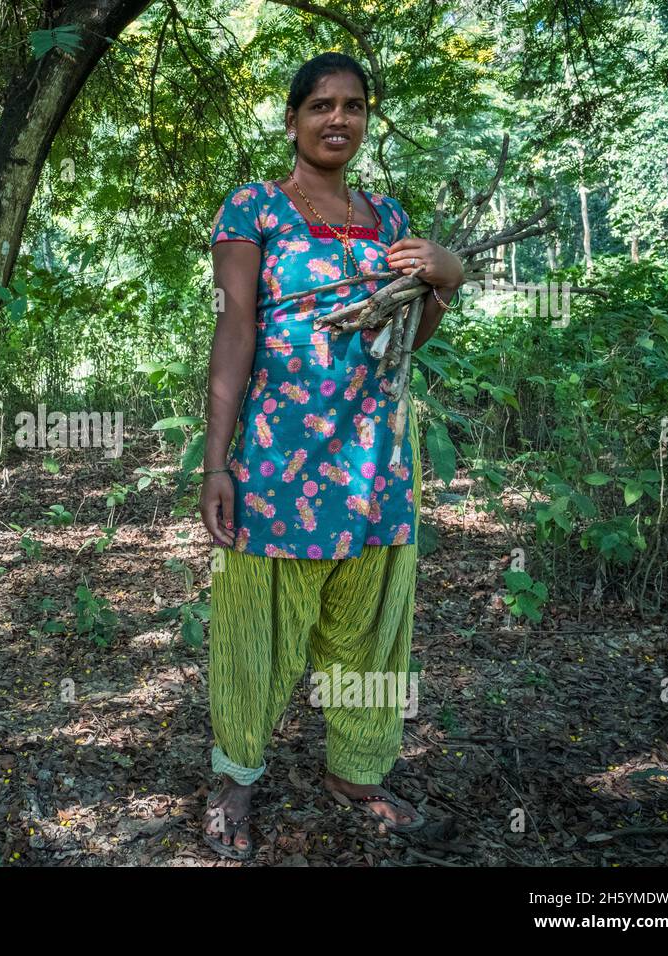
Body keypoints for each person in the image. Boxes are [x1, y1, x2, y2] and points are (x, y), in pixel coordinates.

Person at [200, 52, 464, 860]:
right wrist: (217, 462)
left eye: (352, 106)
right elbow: (237, 329)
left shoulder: (387, 218)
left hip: (376, 462)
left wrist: (446, 279)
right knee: (260, 626)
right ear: (293, 119)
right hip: (282, 461)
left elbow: (404, 339)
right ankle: (235, 779)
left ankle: (354, 770)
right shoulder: (255, 209)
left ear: (365, 119)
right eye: (320, 106)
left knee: (370, 624)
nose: (337, 120)